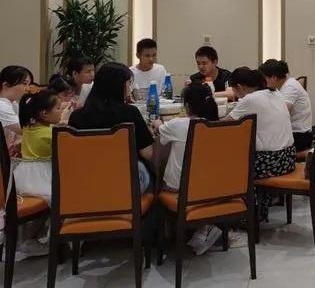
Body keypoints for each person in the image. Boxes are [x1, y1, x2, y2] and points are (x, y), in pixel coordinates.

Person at [151, 82, 221, 255]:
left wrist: (157, 122)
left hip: (178, 189)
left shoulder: (178, 125)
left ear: (187, 106)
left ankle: (169, 235)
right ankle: (203, 228)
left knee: (156, 179)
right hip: (212, 188)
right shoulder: (218, 126)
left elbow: (159, 131)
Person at [68, 63, 154, 194]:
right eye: (128, 83)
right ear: (119, 86)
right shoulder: (130, 113)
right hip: (125, 181)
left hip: (86, 181)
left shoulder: (77, 116)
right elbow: (147, 153)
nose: (129, 88)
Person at [227, 67, 295, 221]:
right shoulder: (276, 93)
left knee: (230, 165)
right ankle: (259, 210)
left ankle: (241, 215)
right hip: (288, 159)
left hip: (270, 163)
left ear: (239, 87)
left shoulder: (250, 99)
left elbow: (224, 125)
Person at [13, 90, 70, 203]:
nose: (61, 111)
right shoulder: (51, 133)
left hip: (24, 174)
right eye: (58, 108)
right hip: (44, 174)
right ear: (44, 113)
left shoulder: (27, 128)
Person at [259, 59, 312, 152]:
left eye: (264, 79)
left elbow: (281, 114)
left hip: (299, 136)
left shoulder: (290, 87)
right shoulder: (285, 84)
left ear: (274, 77)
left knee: (259, 143)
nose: (264, 83)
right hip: (293, 133)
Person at [0, 65, 33, 156]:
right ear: (6, 85)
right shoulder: (2, 105)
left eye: (29, 84)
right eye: (24, 84)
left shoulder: (13, 104)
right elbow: (25, 130)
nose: (28, 89)